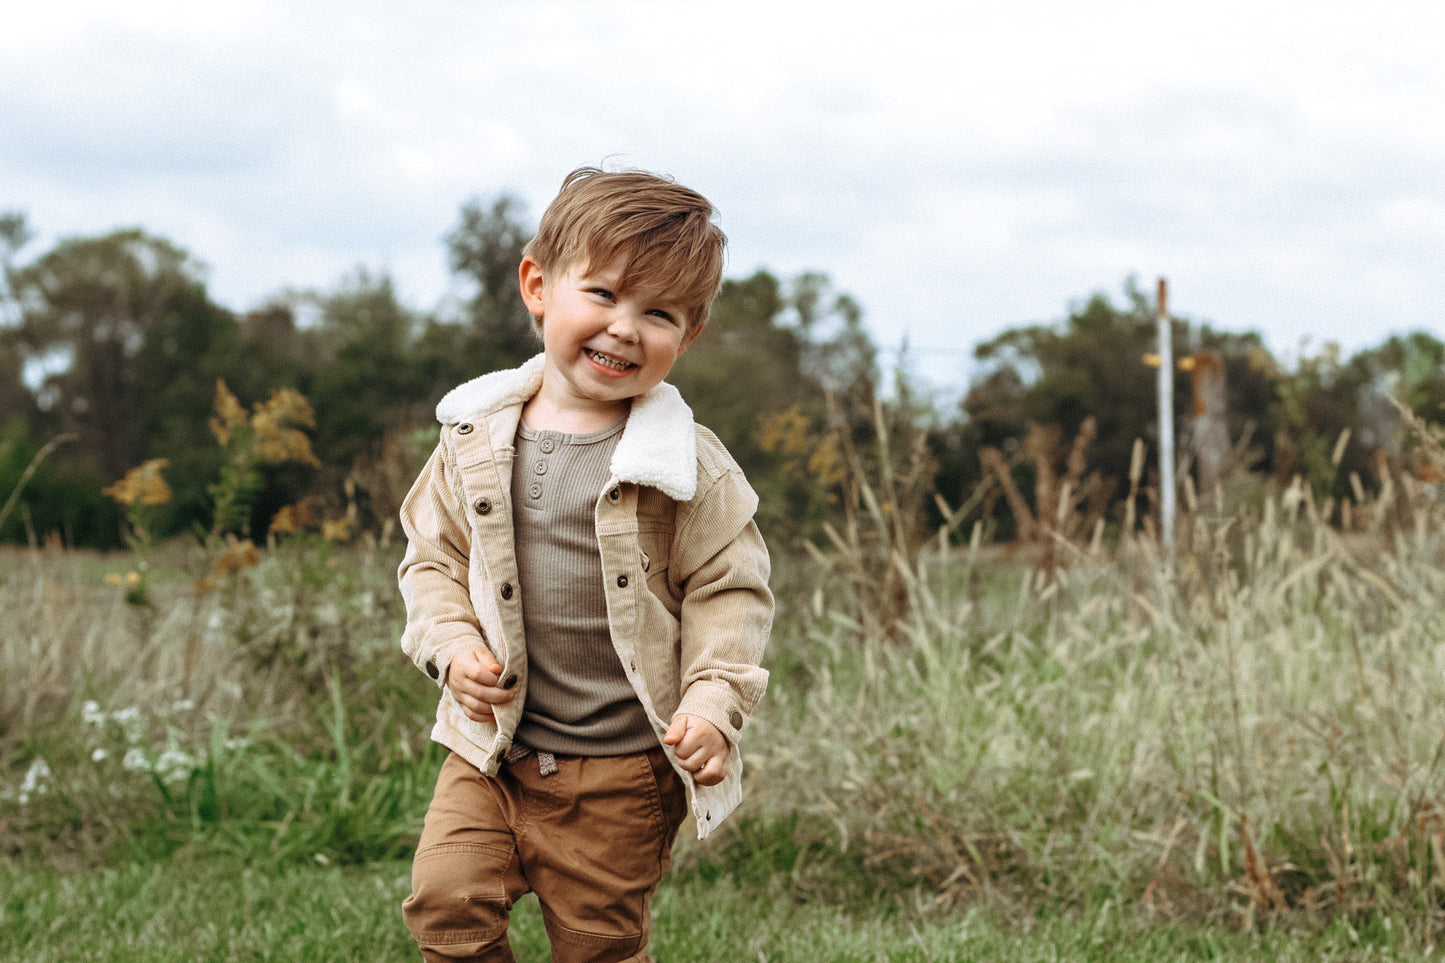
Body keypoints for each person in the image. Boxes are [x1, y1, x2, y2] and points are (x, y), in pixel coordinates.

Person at [397, 166, 773, 962]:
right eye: (601, 294)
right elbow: (431, 558)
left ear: (690, 333)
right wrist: (451, 645)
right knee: (446, 905)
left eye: (658, 312)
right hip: (490, 748)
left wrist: (712, 703)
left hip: (618, 773)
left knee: (597, 946)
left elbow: (729, 590)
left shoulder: (689, 469)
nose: (624, 328)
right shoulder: (471, 436)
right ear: (537, 285)